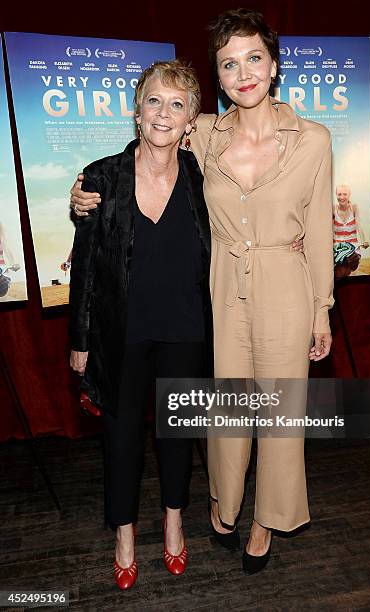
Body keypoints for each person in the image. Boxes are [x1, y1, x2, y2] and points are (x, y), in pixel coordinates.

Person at [70, 8, 332, 576]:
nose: (244, 73)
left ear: (275, 64)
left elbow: (316, 231)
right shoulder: (198, 136)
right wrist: (81, 195)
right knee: (224, 416)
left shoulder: (309, 141)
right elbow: (96, 247)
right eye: (229, 64)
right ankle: (222, 507)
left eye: (254, 59)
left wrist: (322, 309)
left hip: (274, 286)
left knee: (276, 415)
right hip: (212, 297)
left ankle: (264, 521)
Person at [69, 59, 214, 590]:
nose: (164, 113)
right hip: (120, 333)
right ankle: (124, 532)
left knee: (179, 434)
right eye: (154, 100)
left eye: (177, 104)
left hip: (187, 329)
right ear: (136, 110)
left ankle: (174, 520)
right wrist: (80, 342)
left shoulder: (202, 176)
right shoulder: (102, 177)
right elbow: (84, 265)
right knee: (122, 438)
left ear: (190, 119)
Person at [333, 184, 369, 278]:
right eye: (339, 194)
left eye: (345, 194)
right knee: (339, 268)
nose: (342, 197)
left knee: (351, 262)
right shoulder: (333, 208)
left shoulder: (354, 208)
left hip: (353, 248)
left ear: (349, 195)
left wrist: (364, 240)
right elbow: (328, 228)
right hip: (338, 248)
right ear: (336, 195)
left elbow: (359, 226)